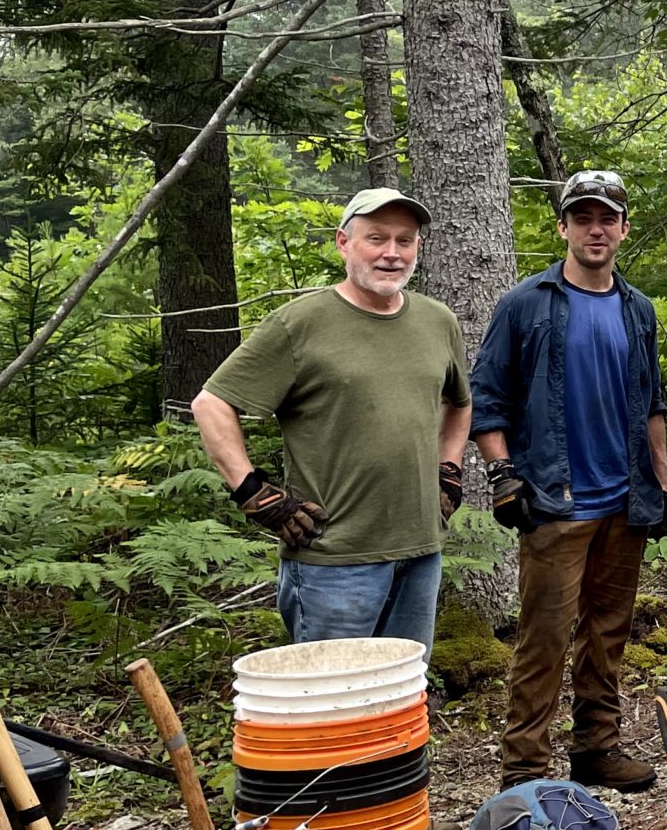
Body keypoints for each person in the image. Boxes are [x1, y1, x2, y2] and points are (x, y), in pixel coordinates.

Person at [193, 188, 471, 650]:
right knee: (331, 702)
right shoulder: (300, 323)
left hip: (420, 549)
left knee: (400, 695)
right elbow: (212, 404)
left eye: (405, 241)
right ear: (344, 242)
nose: (391, 253)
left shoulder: (436, 321)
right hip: (333, 558)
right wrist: (255, 494)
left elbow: (459, 403)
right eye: (376, 238)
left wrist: (450, 469)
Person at [470, 170, 667, 793]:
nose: (595, 229)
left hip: (624, 500)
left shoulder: (636, 308)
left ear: (623, 229)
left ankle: (596, 748)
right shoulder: (526, 304)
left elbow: (651, 401)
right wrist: (502, 472)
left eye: (606, 218)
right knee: (544, 640)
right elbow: (486, 396)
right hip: (556, 500)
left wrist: (660, 480)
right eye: (582, 218)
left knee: (608, 633)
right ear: (563, 227)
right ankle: (524, 769)